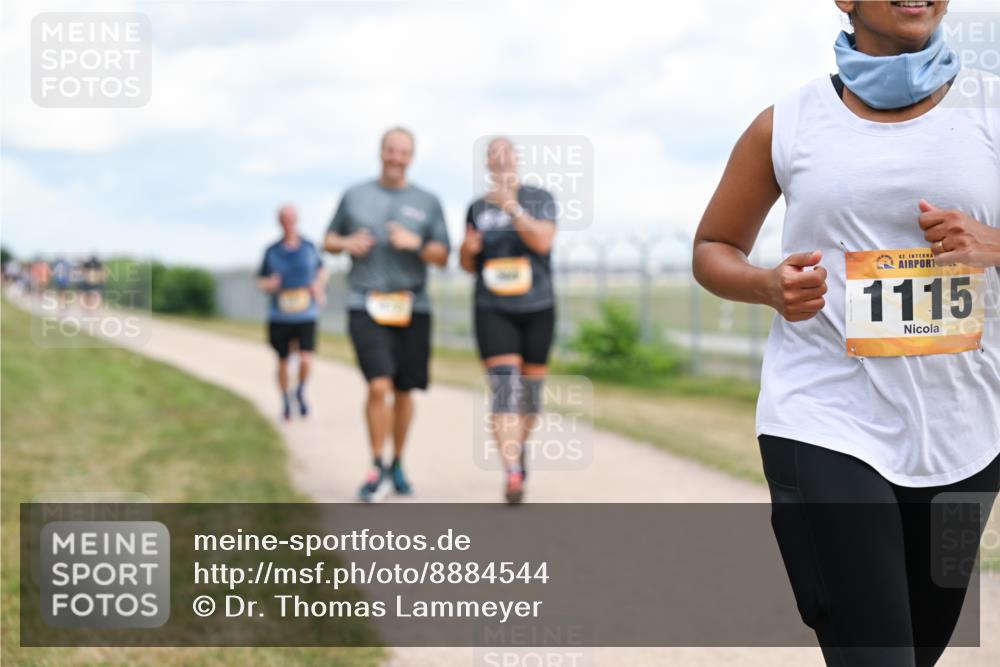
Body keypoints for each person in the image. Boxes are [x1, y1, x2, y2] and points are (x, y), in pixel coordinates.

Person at [692, 2, 999, 665]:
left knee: (918, 649)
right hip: (824, 417)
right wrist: (767, 285)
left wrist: (993, 242)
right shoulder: (787, 123)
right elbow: (714, 245)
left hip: (964, 432)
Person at [324, 127, 450, 502]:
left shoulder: (427, 201)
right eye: (390, 150)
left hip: (413, 304)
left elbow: (444, 255)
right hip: (366, 302)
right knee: (378, 384)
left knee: (404, 390)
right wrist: (347, 243)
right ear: (381, 152)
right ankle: (375, 464)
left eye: (404, 152)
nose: (396, 158)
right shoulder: (355, 195)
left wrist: (417, 244)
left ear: (412, 157)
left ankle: (398, 462)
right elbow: (328, 241)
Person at [460, 137, 558, 504]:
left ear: (517, 160)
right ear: (487, 164)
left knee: (530, 400)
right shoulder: (476, 208)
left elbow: (543, 243)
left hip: (538, 306)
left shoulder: (540, 198)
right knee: (504, 389)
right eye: (493, 157)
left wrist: (512, 208)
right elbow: (468, 264)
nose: (501, 163)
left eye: (507, 155)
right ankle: (512, 472)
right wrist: (467, 251)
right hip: (492, 308)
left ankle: (517, 450)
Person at [258, 205, 328, 421]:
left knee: (306, 359)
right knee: (283, 362)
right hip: (280, 315)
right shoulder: (271, 251)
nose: (288, 222)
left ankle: (300, 390)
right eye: (284, 219)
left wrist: (319, 286)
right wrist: (269, 284)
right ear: (279, 221)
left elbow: (322, 270)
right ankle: (285, 401)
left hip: (306, 313)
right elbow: (261, 280)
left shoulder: (308, 247)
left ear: (297, 220)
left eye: (292, 218)